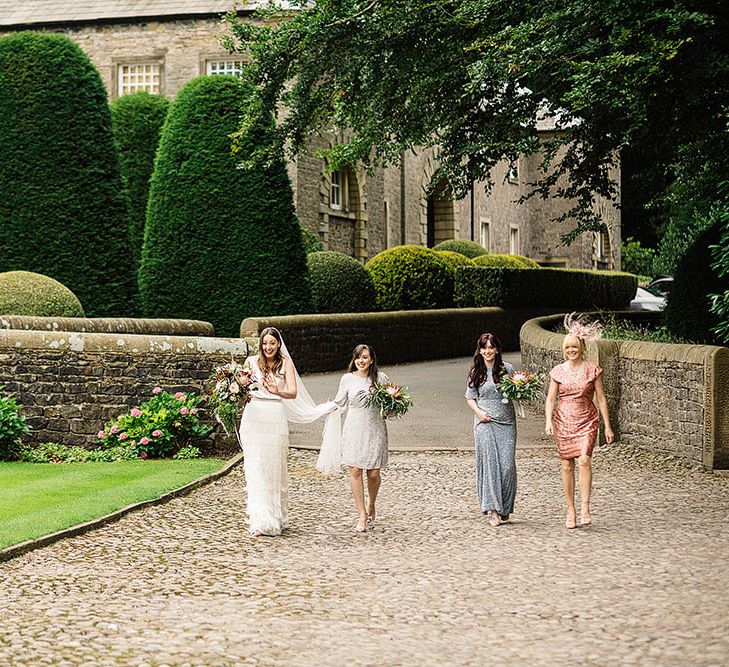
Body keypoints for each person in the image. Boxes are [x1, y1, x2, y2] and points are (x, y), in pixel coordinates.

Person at [239, 327, 336, 537]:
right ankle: (259, 520)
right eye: (265, 343)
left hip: (274, 414)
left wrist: (277, 390)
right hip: (253, 415)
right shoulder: (251, 362)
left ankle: (276, 516)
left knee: (274, 467)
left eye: (272, 343)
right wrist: (238, 386)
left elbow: (292, 392)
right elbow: (242, 387)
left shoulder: (286, 363)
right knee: (255, 467)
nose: (268, 347)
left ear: (278, 344)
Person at [544, 314, 615, 529]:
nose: (571, 351)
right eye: (568, 348)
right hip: (564, 420)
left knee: (584, 459)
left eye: (574, 347)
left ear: (582, 347)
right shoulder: (557, 371)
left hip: (587, 419)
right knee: (566, 464)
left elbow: (601, 398)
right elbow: (550, 398)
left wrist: (608, 426)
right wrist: (548, 421)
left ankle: (585, 506)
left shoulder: (593, 370)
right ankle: (570, 509)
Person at [332, 344, 389, 533]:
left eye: (365, 357)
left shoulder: (380, 379)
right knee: (355, 470)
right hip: (353, 428)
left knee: (373, 473)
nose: (361, 361)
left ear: (371, 359)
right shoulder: (347, 379)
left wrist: (392, 406)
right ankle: (362, 513)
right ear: (353, 359)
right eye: (358, 357)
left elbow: (390, 405)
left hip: (374, 427)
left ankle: (371, 502)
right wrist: (328, 408)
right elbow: (340, 402)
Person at [465, 333, 517, 527]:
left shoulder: (507, 369)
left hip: (506, 422)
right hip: (484, 422)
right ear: (480, 350)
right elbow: (470, 397)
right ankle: (492, 509)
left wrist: (521, 391)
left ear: (497, 349)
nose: (488, 351)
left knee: (507, 465)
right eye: (484, 347)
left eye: (491, 347)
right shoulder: (475, 372)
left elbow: (516, 390)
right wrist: (479, 413)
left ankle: (504, 507)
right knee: (490, 465)